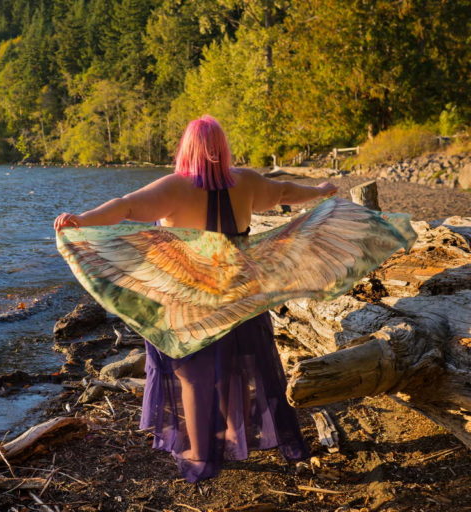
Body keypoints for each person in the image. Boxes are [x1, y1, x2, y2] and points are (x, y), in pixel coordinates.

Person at [53, 115, 337, 482]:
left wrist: (82, 219)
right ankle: (236, 435)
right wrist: (320, 190)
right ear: (222, 147)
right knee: (236, 364)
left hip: (192, 298)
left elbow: (124, 206)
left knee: (193, 374)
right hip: (240, 293)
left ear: (186, 148)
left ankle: (202, 455)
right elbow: (284, 192)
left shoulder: (175, 187)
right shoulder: (246, 181)